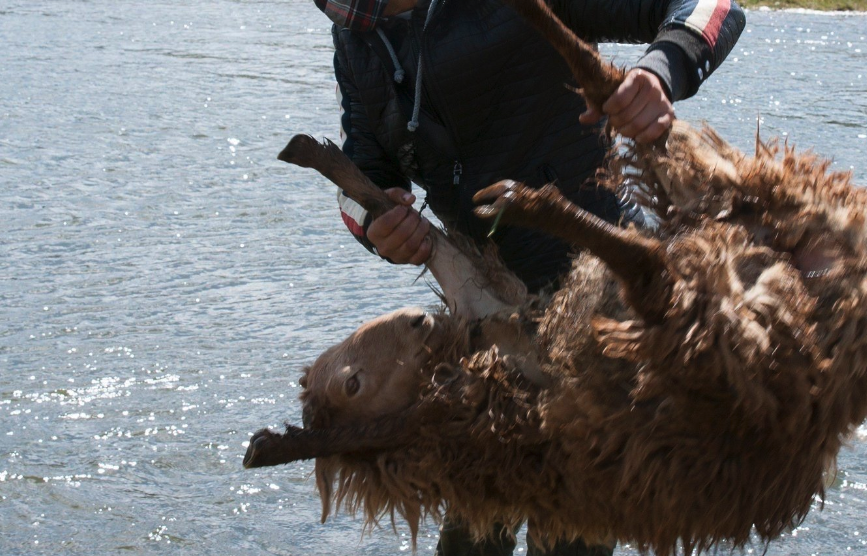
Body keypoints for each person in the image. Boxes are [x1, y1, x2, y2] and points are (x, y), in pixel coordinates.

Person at [310, 0, 745, 553]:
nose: (344, 12)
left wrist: (661, 71)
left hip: (606, 316)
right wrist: (374, 222)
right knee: (471, 536)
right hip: (485, 324)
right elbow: (362, 165)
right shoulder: (356, 33)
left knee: (574, 532)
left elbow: (713, 6)